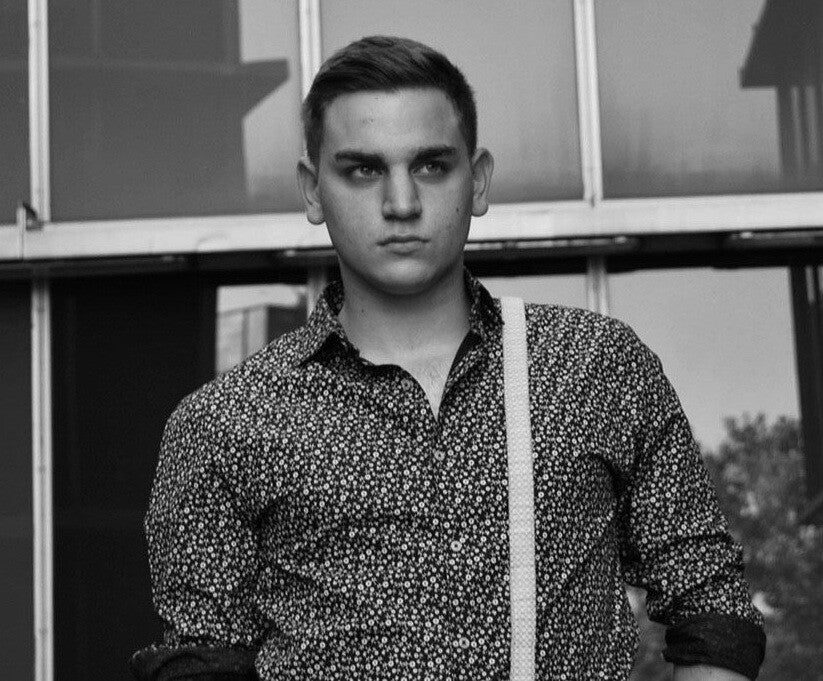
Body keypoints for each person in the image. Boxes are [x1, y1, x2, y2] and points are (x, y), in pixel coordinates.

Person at [130, 36, 766, 681]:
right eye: (363, 170)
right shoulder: (226, 423)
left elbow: (714, 617)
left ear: (478, 180)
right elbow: (202, 665)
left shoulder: (594, 366)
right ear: (312, 191)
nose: (401, 204)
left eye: (432, 166)